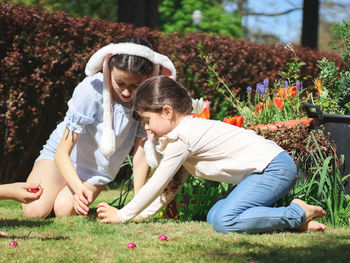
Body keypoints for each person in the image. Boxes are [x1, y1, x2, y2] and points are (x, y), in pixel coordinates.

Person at [97, 75, 327, 234]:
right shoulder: (183, 135)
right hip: (265, 171)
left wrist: (123, 215)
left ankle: (297, 212)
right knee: (215, 216)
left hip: (275, 168)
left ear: (167, 112)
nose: (146, 128)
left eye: (148, 120)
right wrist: (141, 216)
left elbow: (158, 182)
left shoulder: (182, 138)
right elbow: (170, 187)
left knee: (225, 220)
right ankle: (296, 221)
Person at [22, 36, 176, 218]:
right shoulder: (91, 90)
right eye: (120, 83)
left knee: (64, 210)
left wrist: (137, 205)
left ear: (149, 76)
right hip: (61, 159)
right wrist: (79, 189)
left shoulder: (147, 98)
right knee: (35, 211)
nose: (127, 92)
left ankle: (63, 195)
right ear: (108, 69)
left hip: (96, 172)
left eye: (135, 85)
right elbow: (62, 153)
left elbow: (140, 153)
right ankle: (57, 188)